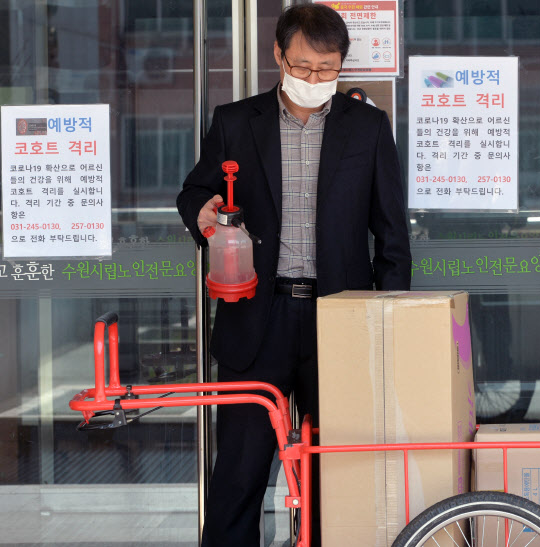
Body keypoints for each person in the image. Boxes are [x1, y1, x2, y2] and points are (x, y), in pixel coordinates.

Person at [176, 4, 412, 545]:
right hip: (257, 318)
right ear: (279, 55)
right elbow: (194, 192)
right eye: (303, 67)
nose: (314, 80)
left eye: (327, 69)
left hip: (341, 320)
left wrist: (388, 324)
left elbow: (392, 237)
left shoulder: (369, 127)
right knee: (239, 472)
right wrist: (203, 214)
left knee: (336, 472)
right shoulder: (236, 121)